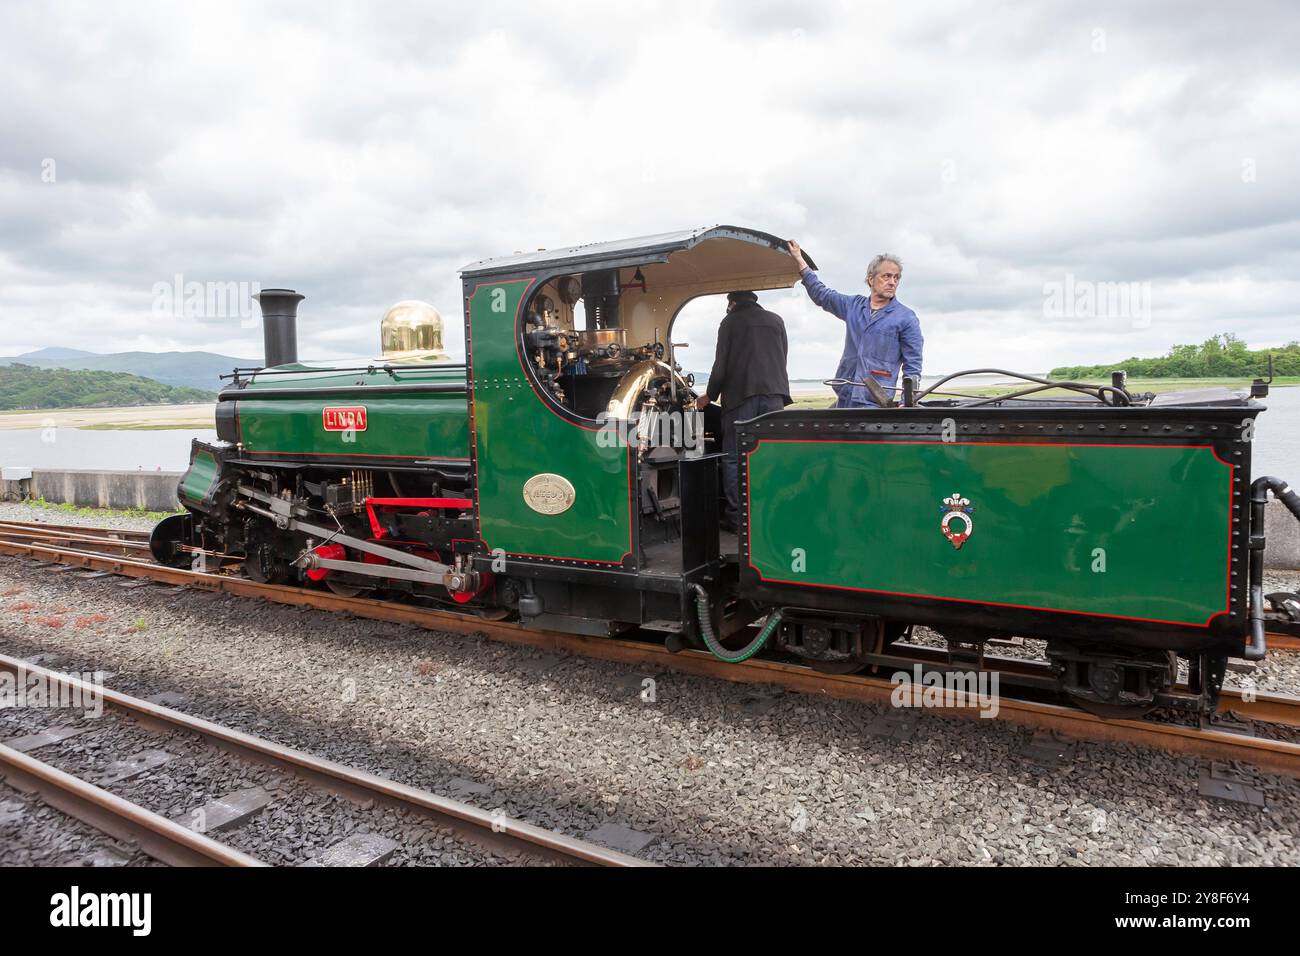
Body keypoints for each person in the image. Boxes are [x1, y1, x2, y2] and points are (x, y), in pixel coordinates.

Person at [694, 291, 791, 533]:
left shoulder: (729, 322)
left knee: (733, 458)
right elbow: (783, 357)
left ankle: (738, 519)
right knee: (768, 456)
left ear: (732, 303)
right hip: (774, 398)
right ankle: (769, 515)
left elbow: (720, 366)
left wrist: (709, 396)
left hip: (740, 400)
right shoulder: (777, 320)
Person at [787, 241, 923, 407]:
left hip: (876, 400)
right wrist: (800, 260)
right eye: (886, 276)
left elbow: (913, 365)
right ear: (871, 279)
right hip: (845, 393)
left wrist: (907, 403)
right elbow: (822, 295)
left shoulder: (906, 318)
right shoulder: (853, 306)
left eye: (896, 278)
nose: (892, 282)